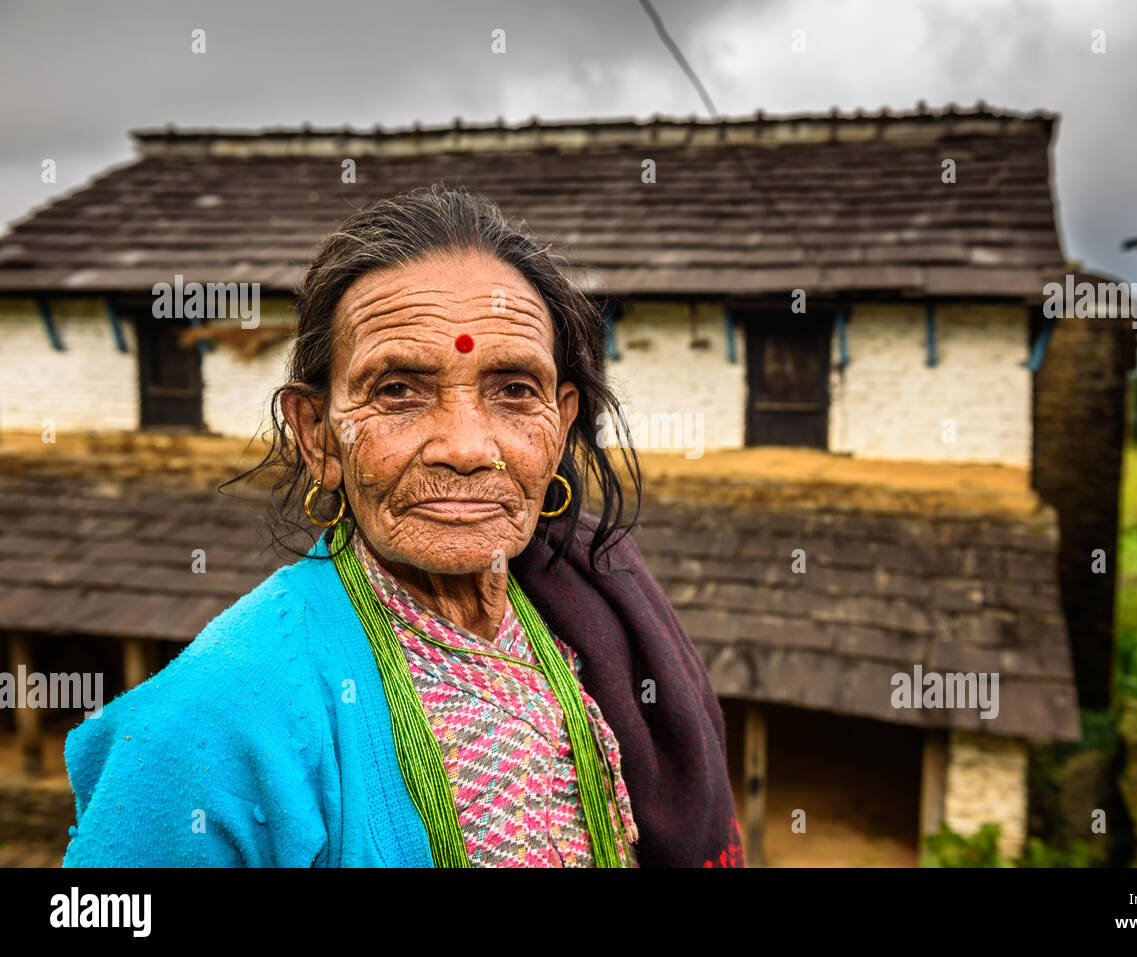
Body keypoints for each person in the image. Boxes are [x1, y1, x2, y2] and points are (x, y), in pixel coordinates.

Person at [62, 185, 744, 868]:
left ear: (561, 422)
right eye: (398, 390)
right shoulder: (213, 720)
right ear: (319, 436)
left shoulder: (589, 621)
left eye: (513, 389)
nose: (469, 447)